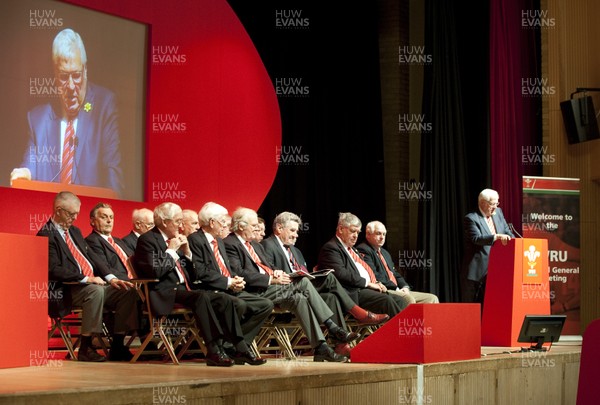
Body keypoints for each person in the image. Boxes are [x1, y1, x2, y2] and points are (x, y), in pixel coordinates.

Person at [132, 202, 261, 367]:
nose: (180, 225)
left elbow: (194, 273)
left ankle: (239, 348)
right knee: (201, 297)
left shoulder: (176, 239)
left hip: (187, 289)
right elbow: (155, 272)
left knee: (225, 299)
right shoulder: (147, 240)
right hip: (166, 291)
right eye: (178, 221)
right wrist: (171, 251)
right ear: (165, 222)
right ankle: (213, 351)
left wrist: (187, 253)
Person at [224, 207, 355, 362]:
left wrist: (275, 273)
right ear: (240, 226)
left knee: (299, 298)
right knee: (304, 282)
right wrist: (270, 279)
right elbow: (239, 273)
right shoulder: (230, 243)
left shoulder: (255, 245)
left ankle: (321, 348)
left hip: (271, 289)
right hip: (253, 292)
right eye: (254, 226)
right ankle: (332, 326)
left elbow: (268, 268)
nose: (258, 229)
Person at [10, 28, 124, 195]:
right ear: (55, 76)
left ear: (85, 71)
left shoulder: (104, 106)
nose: (71, 86)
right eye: (64, 77)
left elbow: (113, 176)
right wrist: (25, 173)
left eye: (76, 76)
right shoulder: (38, 119)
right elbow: (30, 165)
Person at [261, 211, 389, 355]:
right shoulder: (267, 245)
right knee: (329, 278)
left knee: (331, 297)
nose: (296, 235)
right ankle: (357, 314)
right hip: (285, 291)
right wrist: (277, 273)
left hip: (303, 288)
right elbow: (267, 271)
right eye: (292, 230)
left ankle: (340, 344)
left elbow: (303, 271)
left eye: (296, 231)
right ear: (279, 228)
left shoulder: (295, 250)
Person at [37, 191, 138, 362]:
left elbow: (91, 256)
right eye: (71, 214)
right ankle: (86, 347)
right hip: (66, 289)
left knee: (127, 291)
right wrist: (85, 278)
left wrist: (111, 278)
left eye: (77, 213)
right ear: (58, 210)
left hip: (89, 287)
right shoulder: (46, 234)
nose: (75, 218)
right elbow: (53, 269)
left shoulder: (75, 231)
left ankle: (118, 344)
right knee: (95, 291)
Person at [187, 202, 273, 363]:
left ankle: (232, 346)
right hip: (210, 290)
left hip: (228, 288)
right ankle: (238, 348)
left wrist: (236, 279)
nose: (227, 224)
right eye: (223, 221)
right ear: (212, 222)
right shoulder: (195, 239)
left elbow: (225, 267)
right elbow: (201, 272)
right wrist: (228, 282)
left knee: (265, 304)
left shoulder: (219, 241)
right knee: (238, 304)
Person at [317, 212, 405, 318]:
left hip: (365, 289)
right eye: (353, 231)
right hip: (352, 292)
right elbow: (341, 274)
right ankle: (404, 333)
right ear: (340, 229)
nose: (356, 236)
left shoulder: (353, 249)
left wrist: (376, 282)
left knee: (401, 300)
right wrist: (368, 283)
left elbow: (363, 270)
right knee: (386, 300)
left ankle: (395, 333)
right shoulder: (331, 248)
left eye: (358, 232)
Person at [357, 221, 439, 307]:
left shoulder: (385, 253)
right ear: (368, 235)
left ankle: (428, 321)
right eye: (378, 234)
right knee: (408, 299)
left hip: (397, 289)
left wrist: (405, 287)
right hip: (383, 290)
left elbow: (395, 274)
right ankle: (408, 321)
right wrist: (396, 288)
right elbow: (374, 275)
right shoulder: (363, 249)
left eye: (384, 234)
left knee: (432, 298)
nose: (382, 237)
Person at [462, 188, 513, 304]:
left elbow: (506, 230)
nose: (495, 207)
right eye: (492, 204)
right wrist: (496, 237)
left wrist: (515, 241)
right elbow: (476, 239)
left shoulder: (498, 212)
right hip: (476, 274)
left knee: (491, 307)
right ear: (483, 203)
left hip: (496, 271)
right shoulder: (471, 218)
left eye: (497, 203)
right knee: (473, 311)